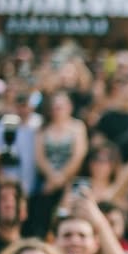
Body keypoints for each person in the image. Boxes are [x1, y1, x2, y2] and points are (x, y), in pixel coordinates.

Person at [29, 91, 88, 237]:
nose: (58, 109)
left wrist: (61, 178)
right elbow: (39, 157)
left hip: (70, 181)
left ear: (69, 107)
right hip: (47, 180)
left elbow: (78, 155)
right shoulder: (43, 129)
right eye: (55, 107)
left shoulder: (77, 127)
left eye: (61, 106)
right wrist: (52, 177)